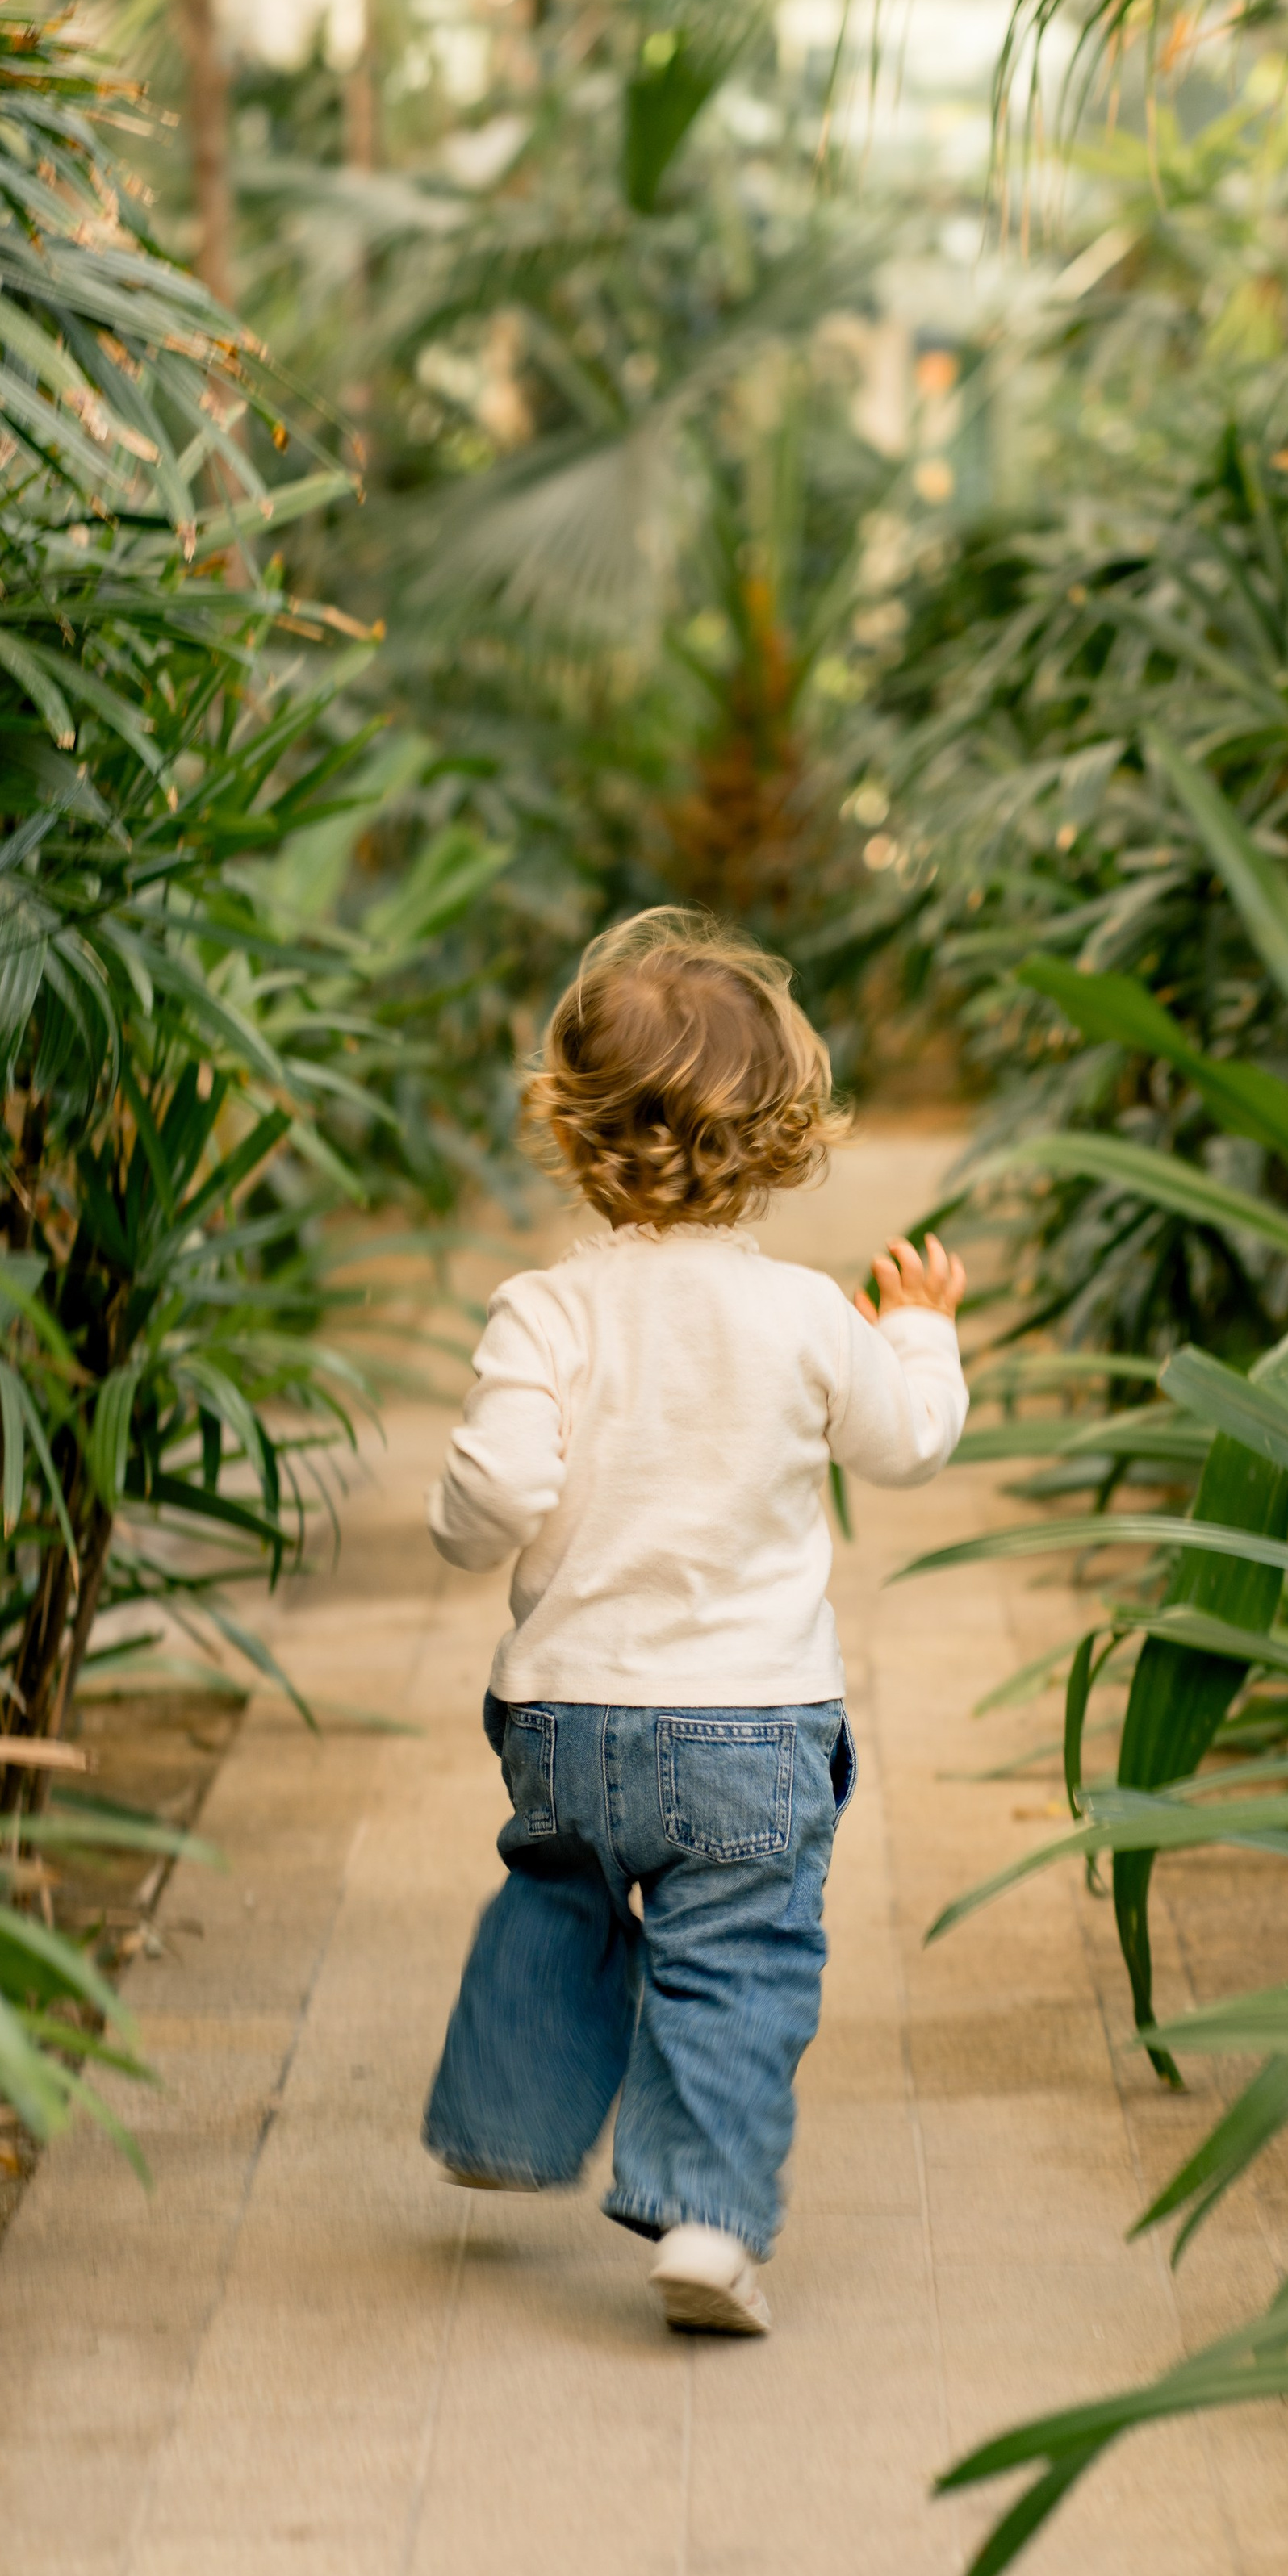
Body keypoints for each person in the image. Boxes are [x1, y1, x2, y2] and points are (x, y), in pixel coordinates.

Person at [421, 907, 969, 2336]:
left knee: (560, 1896)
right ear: (781, 1134)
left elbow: (499, 1479)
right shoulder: (803, 1314)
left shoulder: (545, 1310)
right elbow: (908, 1444)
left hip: (568, 1718)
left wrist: (463, 1529)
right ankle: (709, 2226)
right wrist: (917, 1330)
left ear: (574, 1126)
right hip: (752, 1727)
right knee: (738, 1961)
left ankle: (505, 2118)